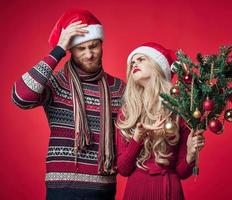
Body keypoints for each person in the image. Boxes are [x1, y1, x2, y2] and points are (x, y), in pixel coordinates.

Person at [12, 9, 125, 200]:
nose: (89, 54)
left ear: (101, 44)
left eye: (94, 46)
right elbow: (21, 96)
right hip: (62, 189)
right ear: (70, 51)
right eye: (81, 48)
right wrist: (58, 49)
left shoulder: (119, 88)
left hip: (104, 189)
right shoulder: (57, 83)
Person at [115, 42, 205, 200]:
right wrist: (138, 137)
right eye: (132, 63)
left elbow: (182, 172)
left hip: (169, 190)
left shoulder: (178, 109)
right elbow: (123, 169)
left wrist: (191, 154)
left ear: (158, 66)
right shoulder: (127, 112)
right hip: (137, 190)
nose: (134, 64)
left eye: (141, 59)